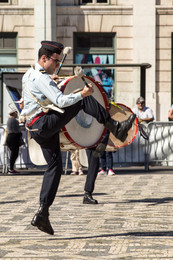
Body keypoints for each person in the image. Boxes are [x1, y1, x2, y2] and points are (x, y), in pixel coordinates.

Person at [21, 40, 136, 235]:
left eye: (58, 61)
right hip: (44, 123)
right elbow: (60, 101)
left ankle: (43, 213)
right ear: (44, 58)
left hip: (35, 129)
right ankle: (114, 126)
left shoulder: (29, 74)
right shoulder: (43, 79)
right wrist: (82, 93)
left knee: (54, 168)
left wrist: (52, 80)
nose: (58, 64)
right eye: (56, 61)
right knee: (82, 99)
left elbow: (41, 92)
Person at [6, 109, 22, 174]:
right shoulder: (14, 120)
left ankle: (11, 168)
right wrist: (22, 129)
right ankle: (11, 169)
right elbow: (17, 130)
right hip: (13, 138)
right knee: (14, 154)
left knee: (13, 154)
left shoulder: (9, 120)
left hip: (10, 137)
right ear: (14, 114)